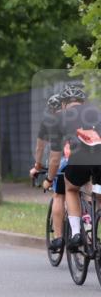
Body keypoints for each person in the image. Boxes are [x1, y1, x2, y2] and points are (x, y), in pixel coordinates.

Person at [51, 84, 101, 252]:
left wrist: (49, 178)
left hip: (80, 160)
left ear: (63, 104)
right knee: (99, 196)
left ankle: (77, 234)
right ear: (83, 102)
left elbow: (55, 156)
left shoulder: (61, 117)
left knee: (71, 188)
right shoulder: (96, 112)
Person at [30, 94, 66, 253]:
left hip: (63, 161)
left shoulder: (48, 122)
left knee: (59, 196)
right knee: (85, 192)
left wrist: (37, 166)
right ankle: (88, 226)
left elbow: (40, 148)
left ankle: (58, 238)